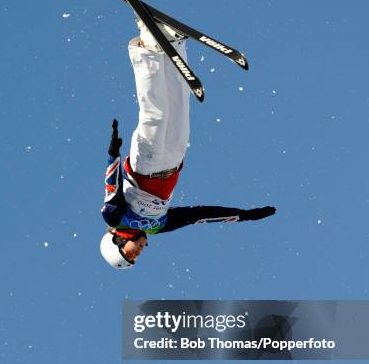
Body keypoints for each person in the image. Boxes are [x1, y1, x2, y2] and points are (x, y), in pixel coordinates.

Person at [100, 21, 276, 269]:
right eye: (136, 257)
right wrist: (244, 215)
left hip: (144, 164)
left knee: (156, 114)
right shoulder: (159, 226)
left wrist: (113, 153)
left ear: (117, 243)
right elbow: (199, 215)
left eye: (131, 255)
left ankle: (145, 49)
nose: (138, 252)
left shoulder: (115, 219)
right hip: (174, 161)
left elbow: (112, 187)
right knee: (180, 106)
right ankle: (173, 44)